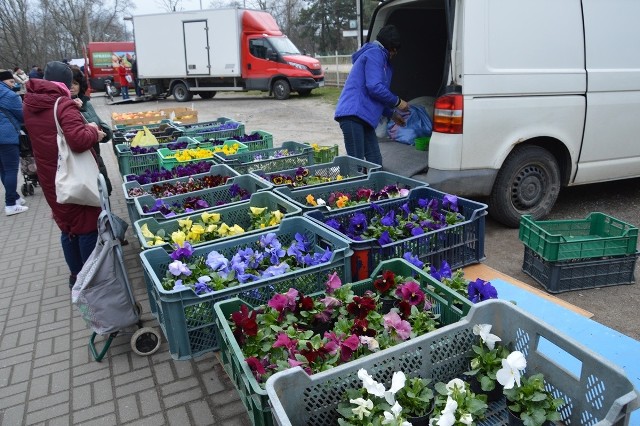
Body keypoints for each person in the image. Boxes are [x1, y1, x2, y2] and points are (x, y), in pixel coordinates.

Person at [23, 61, 106, 288]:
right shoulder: (62, 104)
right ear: (67, 83)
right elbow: (78, 141)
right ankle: (90, 279)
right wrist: (92, 130)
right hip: (72, 175)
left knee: (67, 227)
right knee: (87, 225)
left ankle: (76, 276)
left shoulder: (31, 103)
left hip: (51, 177)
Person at [334, 24, 409, 166]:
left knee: (375, 162)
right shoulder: (375, 54)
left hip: (364, 117)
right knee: (355, 165)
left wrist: (392, 114)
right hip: (354, 115)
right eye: (395, 50)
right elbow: (374, 87)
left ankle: (373, 187)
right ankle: (352, 188)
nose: (395, 54)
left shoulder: (379, 58)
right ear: (391, 47)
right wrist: (398, 102)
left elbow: (377, 97)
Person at [69, 67, 114, 196]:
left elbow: (99, 122)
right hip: (81, 158)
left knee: (104, 191)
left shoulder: (86, 103)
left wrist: (105, 131)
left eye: (75, 83)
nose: (72, 87)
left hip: (95, 153)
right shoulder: (65, 107)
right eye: (69, 84)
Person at [0, 69, 28, 216]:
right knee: (11, 170)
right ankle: (10, 204)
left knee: (3, 170)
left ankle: (15, 197)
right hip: (7, 137)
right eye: (11, 81)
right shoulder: (9, 95)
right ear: (3, 81)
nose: (13, 84)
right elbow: (22, 115)